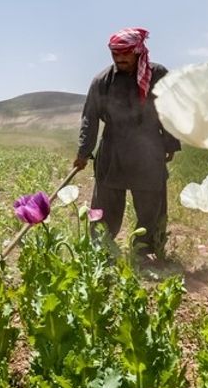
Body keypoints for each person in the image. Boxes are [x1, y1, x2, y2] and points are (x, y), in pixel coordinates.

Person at [73, 27, 180, 259]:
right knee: (106, 204)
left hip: (149, 149)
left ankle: (147, 252)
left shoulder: (159, 75)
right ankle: (101, 251)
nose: (120, 58)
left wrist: (171, 142)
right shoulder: (103, 81)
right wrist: (84, 151)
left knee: (151, 205)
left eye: (126, 53)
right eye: (115, 54)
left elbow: (172, 109)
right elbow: (89, 118)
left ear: (139, 51)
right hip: (114, 150)